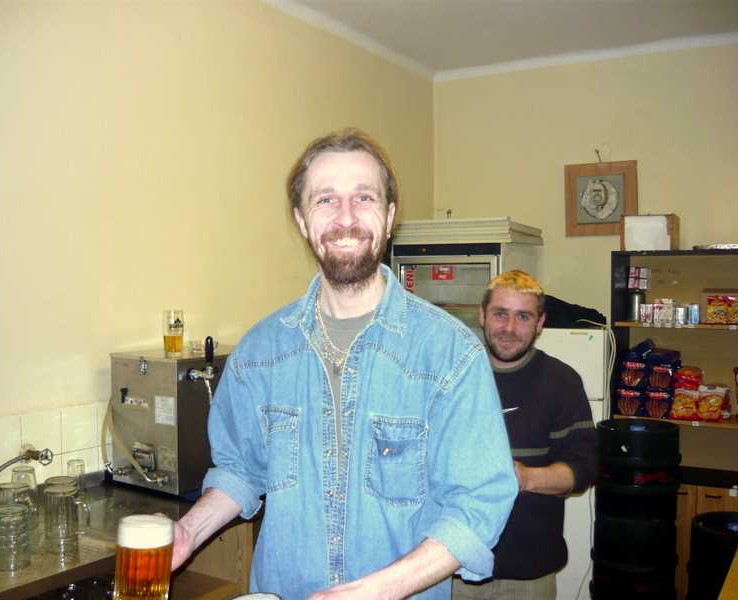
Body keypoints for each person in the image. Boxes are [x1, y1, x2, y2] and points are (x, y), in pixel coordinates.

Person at [170, 129, 517, 599]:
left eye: (364, 198)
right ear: (302, 220)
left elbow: (477, 508)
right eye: (326, 200)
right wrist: (188, 531)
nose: (346, 218)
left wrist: (377, 591)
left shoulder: (450, 354)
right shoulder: (259, 354)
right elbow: (240, 471)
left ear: (390, 216)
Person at [453, 270, 597, 600]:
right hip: (453, 568)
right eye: (500, 314)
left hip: (529, 574)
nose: (509, 328)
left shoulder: (562, 382)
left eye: (523, 317)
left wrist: (525, 478)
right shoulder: (454, 377)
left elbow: (584, 468)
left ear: (540, 323)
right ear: (482, 315)